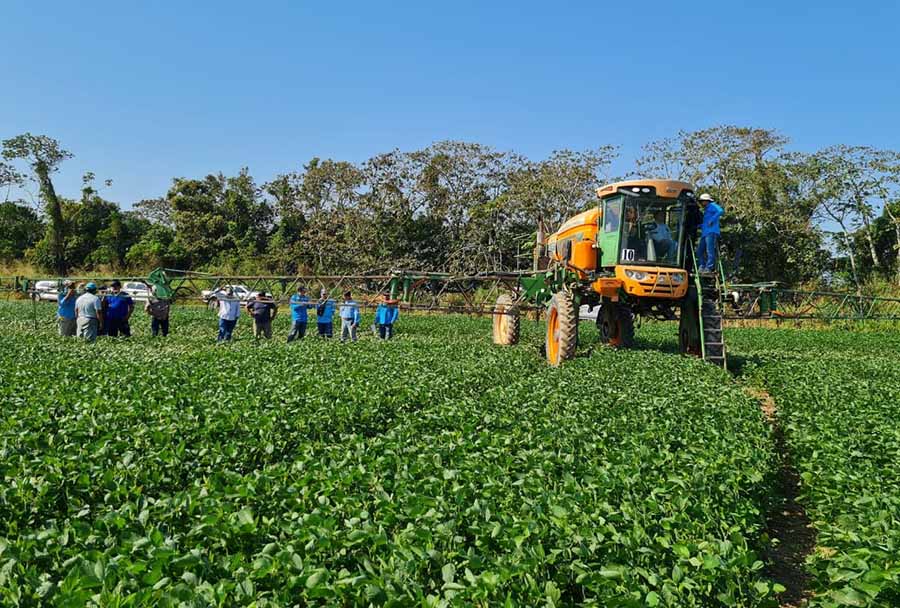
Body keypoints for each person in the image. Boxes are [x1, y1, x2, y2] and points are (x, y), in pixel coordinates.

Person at [696, 193, 724, 272]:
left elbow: (721, 211)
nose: (701, 203)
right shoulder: (706, 210)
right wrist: (699, 226)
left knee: (709, 250)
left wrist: (712, 220)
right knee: (699, 251)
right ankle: (702, 266)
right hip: (705, 233)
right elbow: (706, 222)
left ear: (706, 201)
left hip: (711, 232)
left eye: (702, 201)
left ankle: (709, 267)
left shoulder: (712, 205)